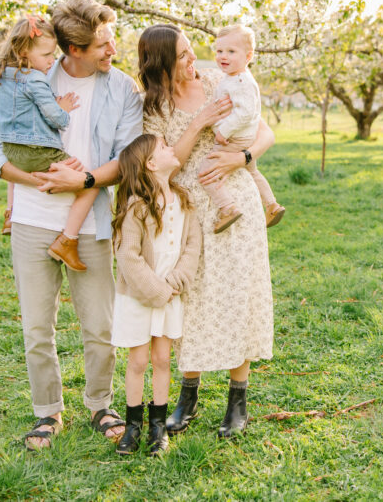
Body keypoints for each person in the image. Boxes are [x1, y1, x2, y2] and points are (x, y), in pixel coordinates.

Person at [0, 0, 141, 450]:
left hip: (89, 222)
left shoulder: (123, 89)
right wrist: (34, 180)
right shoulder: (27, 75)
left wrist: (83, 179)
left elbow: (128, 158)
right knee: (37, 328)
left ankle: (100, 404)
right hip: (33, 220)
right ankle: (48, 411)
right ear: (74, 49)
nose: (113, 50)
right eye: (103, 45)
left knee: (100, 326)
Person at [137, 23, 275, 439]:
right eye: (183, 55)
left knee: (238, 293)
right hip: (187, 209)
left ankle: (238, 399)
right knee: (190, 299)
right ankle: (188, 395)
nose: (193, 60)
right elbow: (166, 162)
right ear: (162, 64)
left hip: (234, 199)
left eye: (191, 50)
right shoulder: (154, 108)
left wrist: (241, 158)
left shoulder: (220, 79)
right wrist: (198, 122)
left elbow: (264, 131)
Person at [110, 134, 201, 456]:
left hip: (171, 294)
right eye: (163, 147)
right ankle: (133, 426)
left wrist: (175, 282)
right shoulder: (136, 206)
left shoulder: (184, 199)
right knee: (138, 361)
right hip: (139, 296)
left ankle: (158, 426)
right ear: (150, 164)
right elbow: (128, 256)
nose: (171, 148)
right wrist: (157, 290)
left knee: (162, 359)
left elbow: (192, 246)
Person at [0, 15, 99, 272]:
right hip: (39, 152)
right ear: (24, 52)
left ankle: (10, 214)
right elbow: (56, 118)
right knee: (90, 184)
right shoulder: (35, 78)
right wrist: (63, 109)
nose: (51, 60)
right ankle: (68, 240)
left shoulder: (3, 77)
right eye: (46, 55)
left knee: (17, 169)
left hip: (12, 151)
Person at [199, 25, 285, 233]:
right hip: (245, 137)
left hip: (235, 139)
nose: (223, 56)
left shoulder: (241, 81)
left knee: (206, 171)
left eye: (231, 51)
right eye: (219, 51)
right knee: (252, 170)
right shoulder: (234, 77)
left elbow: (245, 113)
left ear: (248, 56)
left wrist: (223, 131)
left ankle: (227, 208)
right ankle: (272, 205)